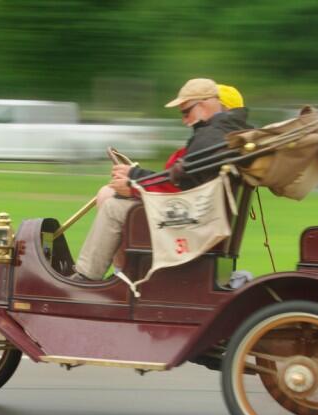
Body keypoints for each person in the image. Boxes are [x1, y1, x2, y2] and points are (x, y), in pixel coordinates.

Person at [72, 78, 252, 281]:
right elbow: (184, 180)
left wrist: (133, 183)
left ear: (202, 105)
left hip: (188, 219)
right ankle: (119, 274)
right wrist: (134, 178)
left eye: (186, 112)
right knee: (109, 195)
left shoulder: (210, 138)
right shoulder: (223, 134)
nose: (184, 120)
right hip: (199, 214)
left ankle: (88, 275)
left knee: (113, 207)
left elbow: (181, 187)